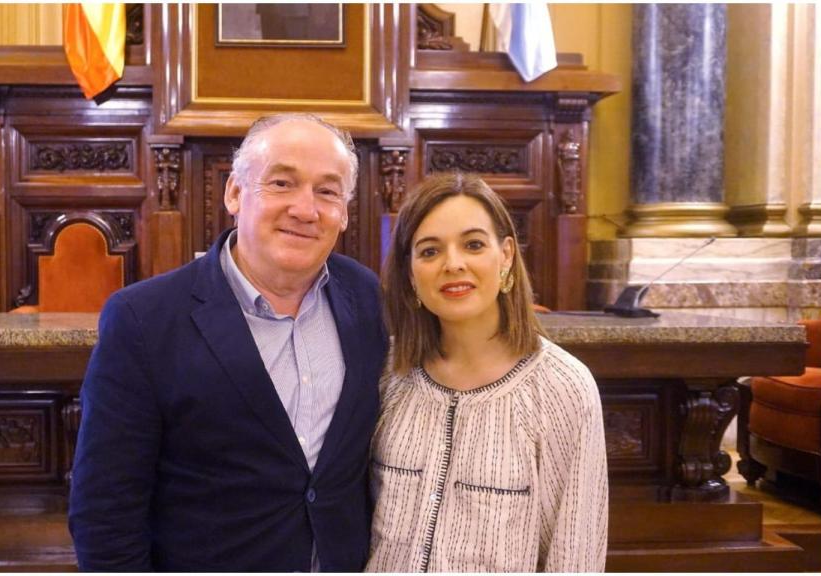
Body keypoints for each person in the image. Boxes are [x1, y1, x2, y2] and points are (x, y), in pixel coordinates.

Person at [69, 114, 388, 571]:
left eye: (327, 191)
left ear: (344, 213)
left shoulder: (364, 296)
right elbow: (105, 513)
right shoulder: (144, 319)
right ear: (235, 193)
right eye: (282, 183)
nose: (305, 209)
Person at [367, 173, 608, 572]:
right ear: (410, 274)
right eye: (430, 251)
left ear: (506, 255)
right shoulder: (386, 372)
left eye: (474, 244)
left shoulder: (563, 387)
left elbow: (575, 556)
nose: (453, 264)